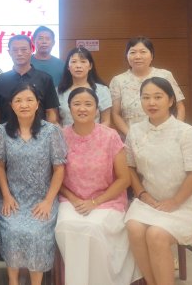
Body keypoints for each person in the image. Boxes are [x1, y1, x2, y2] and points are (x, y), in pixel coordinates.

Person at [125, 77, 192, 285]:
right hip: (149, 201)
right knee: (134, 227)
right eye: (146, 98)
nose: (151, 103)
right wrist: (142, 194)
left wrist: (175, 201)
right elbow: (129, 167)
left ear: (170, 100)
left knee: (156, 235)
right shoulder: (135, 131)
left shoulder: (185, 132)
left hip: (183, 204)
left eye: (158, 97)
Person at [55, 87, 139, 285]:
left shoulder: (110, 136)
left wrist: (95, 202)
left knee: (93, 228)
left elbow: (124, 179)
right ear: (69, 108)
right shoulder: (60, 136)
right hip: (71, 199)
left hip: (107, 200)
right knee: (66, 227)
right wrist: (74, 199)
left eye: (88, 104)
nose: (82, 108)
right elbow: (56, 177)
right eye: (76, 104)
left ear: (97, 109)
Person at [0, 83, 66, 285]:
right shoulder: (1, 132)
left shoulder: (51, 131)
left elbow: (59, 169)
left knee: (36, 233)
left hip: (42, 199)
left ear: (37, 104)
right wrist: (6, 196)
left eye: (29, 100)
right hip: (13, 198)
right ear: (11, 105)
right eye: (18, 100)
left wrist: (48, 201)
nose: (24, 105)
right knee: (12, 231)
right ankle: (13, 281)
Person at [110, 36, 185, 137]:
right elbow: (115, 114)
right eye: (132, 52)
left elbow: (180, 107)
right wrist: (131, 135)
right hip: (132, 137)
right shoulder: (118, 81)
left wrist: (176, 131)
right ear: (126, 56)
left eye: (143, 52)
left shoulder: (165, 75)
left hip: (166, 135)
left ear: (152, 55)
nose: (138, 56)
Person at [0, 34, 59, 127]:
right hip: (7, 133)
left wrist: (50, 133)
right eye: (15, 50)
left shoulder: (45, 79)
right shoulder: (0, 80)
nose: (19, 53)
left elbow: (50, 111)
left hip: (39, 133)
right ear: (9, 52)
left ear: (31, 50)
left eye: (24, 49)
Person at [57, 47, 111, 127]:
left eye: (83, 61)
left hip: (96, 134)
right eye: (74, 62)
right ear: (68, 66)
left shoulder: (102, 90)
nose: (78, 66)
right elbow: (54, 121)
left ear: (90, 66)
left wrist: (95, 134)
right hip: (65, 134)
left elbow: (106, 121)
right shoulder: (59, 91)